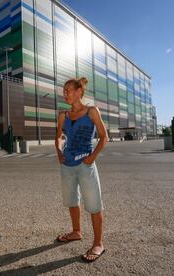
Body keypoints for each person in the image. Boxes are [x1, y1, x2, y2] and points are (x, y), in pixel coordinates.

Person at [55, 77, 108, 262]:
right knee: (72, 201)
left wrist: (92, 157)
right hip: (67, 166)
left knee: (94, 204)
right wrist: (59, 150)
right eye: (64, 91)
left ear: (79, 92)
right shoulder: (63, 115)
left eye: (68, 90)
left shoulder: (91, 111)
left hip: (86, 165)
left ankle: (98, 243)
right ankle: (76, 232)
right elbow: (59, 136)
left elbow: (103, 136)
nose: (65, 93)